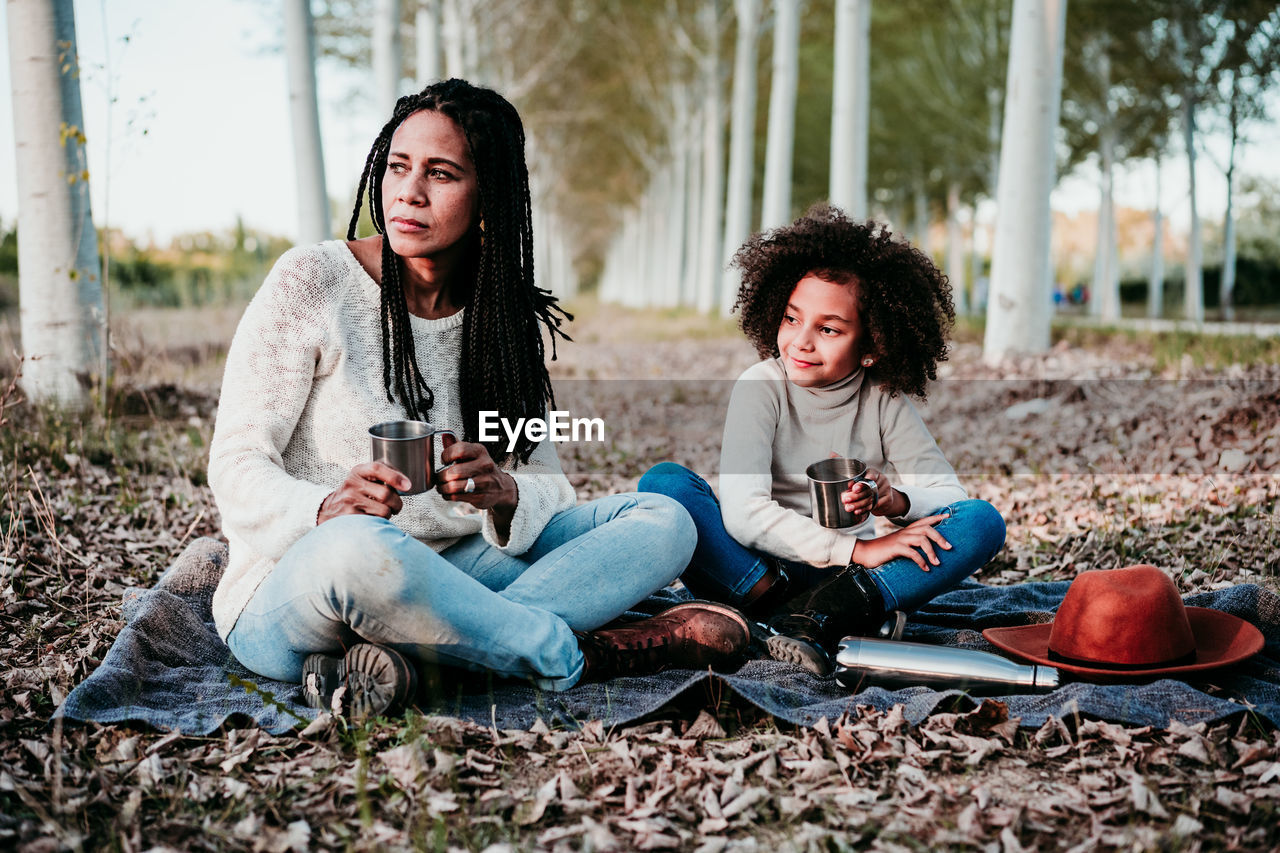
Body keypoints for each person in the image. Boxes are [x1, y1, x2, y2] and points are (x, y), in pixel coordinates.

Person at [208, 79, 749, 718]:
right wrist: (324, 507)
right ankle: (565, 653)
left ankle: (429, 658)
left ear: (486, 195)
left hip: (463, 573)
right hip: (307, 581)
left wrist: (505, 491)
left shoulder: (499, 317)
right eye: (399, 166)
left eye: (440, 174)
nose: (409, 191)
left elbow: (544, 478)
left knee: (665, 521)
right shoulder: (314, 282)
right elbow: (236, 463)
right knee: (361, 549)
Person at [639, 205, 1006, 676]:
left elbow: (950, 496)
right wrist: (861, 552)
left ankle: (818, 614)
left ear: (872, 346)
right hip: (757, 572)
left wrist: (893, 501)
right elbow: (743, 512)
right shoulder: (761, 386)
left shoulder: (884, 401)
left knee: (981, 521)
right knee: (664, 484)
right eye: (792, 319)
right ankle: (806, 615)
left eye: (828, 328)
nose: (800, 342)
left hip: (844, 580)